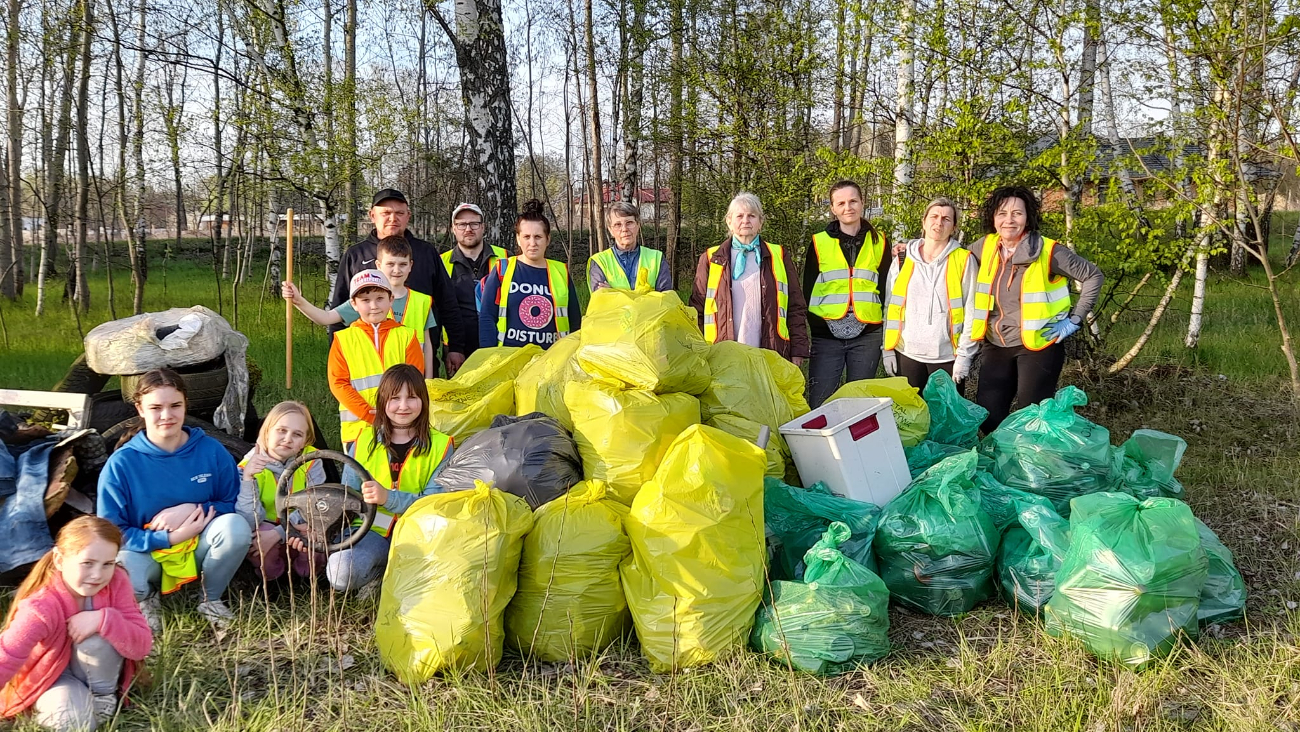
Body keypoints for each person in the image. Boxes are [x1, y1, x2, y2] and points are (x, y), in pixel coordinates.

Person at [96, 369, 253, 632]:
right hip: (149, 554)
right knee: (121, 566)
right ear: (140, 409)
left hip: (199, 547)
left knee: (235, 527)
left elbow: (231, 502)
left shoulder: (211, 450)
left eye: (175, 406)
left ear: (185, 405)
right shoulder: (121, 464)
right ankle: (147, 599)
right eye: (156, 407)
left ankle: (210, 598)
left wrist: (192, 509)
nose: (167, 415)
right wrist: (169, 538)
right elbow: (112, 533)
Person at [958, 185, 1104, 433]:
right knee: (989, 415)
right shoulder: (985, 246)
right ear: (993, 218)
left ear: (1028, 217)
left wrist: (1075, 320)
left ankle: (1031, 466)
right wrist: (910, 248)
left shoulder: (1048, 250)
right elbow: (952, 261)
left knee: (1032, 415)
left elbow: (1093, 276)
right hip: (996, 343)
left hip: (1038, 345)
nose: (1009, 220)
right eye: (1002, 213)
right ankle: (1004, 461)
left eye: (1017, 213)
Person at [300, 365, 454, 593]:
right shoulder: (363, 442)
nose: (403, 406)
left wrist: (388, 498)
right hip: (369, 533)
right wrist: (320, 527)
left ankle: (390, 578)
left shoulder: (442, 445)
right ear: (382, 402)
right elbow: (347, 497)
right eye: (395, 398)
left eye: (411, 397)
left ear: (423, 401)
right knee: (341, 573)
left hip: (420, 535)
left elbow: (435, 503)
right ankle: (379, 574)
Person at [0, 517, 152, 731]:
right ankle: (55, 707)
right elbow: (7, 656)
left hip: (101, 674)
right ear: (59, 560)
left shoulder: (117, 581)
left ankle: (103, 698)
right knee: (72, 722)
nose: (97, 575)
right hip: (53, 680)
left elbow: (142, 646)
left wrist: (105, 619)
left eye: (107, 564)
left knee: (100, 635)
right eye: (87, 563)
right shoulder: (40, 608)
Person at [329, 188, 468, 376]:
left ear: (408, 216)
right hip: (367, 359)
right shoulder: (356, 255)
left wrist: (456, 347)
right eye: (385, 213)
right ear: (372, 216)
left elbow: (447, 302)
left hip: (419, 358)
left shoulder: (426, 253)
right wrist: (335, 353)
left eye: (399, 213)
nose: (393, 218)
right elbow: (339, 304)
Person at [284, 236, 438, 376]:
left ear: (410, 265)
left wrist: (428, 381)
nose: (397, 270)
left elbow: (427, 346)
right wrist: (298, 300)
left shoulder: (422, 301)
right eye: (390, 264)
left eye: (402, 264)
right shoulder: (365, 300)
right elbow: (325, 318)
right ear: (378, 265)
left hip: (412, 380)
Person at [689, 191, 810, 364]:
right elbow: (697, 309)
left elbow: (795, 306)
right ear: (729, 222)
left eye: (752, 216)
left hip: (771, 350)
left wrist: (798, 350)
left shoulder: (779, 255)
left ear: (760, 222)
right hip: (721, 353)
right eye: (739, 216)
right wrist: (698, 351)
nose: (746, 220)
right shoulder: (711, 258)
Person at [803, 180, 891, 406]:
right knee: (820, 402)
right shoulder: (818, 242)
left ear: (862, 203)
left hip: (868, 333)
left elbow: (887, 289)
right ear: (833, 208)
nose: (847, 207)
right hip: (826, 334)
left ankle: (855, 442)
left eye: (853, 201)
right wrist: (818, 327)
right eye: (840, 203)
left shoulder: (880, 242)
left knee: (859, 403)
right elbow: (809, 289)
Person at [882, 197, 978, 392]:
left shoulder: (964, 260)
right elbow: (890, 306)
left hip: (948, 357)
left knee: (945, 420)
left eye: (946, 219)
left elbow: (972, 312)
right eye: (934, 216)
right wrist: (887, 349)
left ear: (954, 227)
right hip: (906, 354)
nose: (939, 223)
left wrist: (964, 356)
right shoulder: (902, 259)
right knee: (912, 419)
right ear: (924, 222)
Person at [328, 269, 426, 447]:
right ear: (354, 304)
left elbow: (415, 380)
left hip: (402, 428)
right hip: (357, 430)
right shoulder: (343, 339)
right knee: (361, 474)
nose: (374, 305)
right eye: (365, 300)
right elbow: (338, 384)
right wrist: (369, 414)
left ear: (391, 300)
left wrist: (394, 416)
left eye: (380, 298)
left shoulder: (407, 336)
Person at [235, 401, 327, 582]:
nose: (288, 439)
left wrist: (280, 532)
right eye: (282, 430)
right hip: (266, 528)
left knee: (315, 534)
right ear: (267, 431)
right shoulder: (248, 465)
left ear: (304, 442)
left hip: (300, 525)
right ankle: (274, 582)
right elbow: (249, 520)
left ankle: (307, 578)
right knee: (258, 542)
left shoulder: (312, 460)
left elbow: (315, 505)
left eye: (297, 434)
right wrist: (248, 480)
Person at [479, 199, 582, 349]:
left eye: (538, 237)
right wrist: (487, 356)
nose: (532, 243)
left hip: (550, 360)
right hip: (509, 360)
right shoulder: (503, 269)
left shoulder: (560, 272)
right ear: (518, 239)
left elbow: (574, 321)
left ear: (548, 239)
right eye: (526, 237)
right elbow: (487, 317)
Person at [440, 202, 508, 364]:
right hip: (459, 350)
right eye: (462, 224)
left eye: (474, 223)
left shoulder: (506, 258)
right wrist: (453, 348)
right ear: (453, 228)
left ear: (483, 227)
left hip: (500, 345)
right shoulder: (441, 262)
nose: (468, 229)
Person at [587, 201, 673, 292]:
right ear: (610, 230)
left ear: (638, 225)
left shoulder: (656, 258)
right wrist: (647, 294)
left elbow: (664, 299)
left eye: (629, 223)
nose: (624, 229)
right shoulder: (599, 262)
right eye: (618, 224)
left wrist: (615, 292)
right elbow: (602, 300)